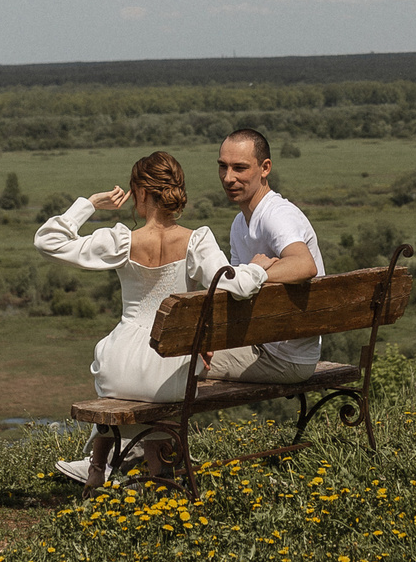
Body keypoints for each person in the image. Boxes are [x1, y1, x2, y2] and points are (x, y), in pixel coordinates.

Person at [34, 150, 266, 484]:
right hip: (173, 373)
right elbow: (239, 285)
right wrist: (259, 266)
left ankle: (99, 468)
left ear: (142, 193)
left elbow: (47, 241)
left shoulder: (121, 241)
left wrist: (90, 203)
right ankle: (161, 471)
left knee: (124, 388)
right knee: (162, 395)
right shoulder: (196, 240)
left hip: (119, 371)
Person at [206, 127, 325, 384]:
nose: (228, 178)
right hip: (263, 345)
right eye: (223, 167)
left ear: (265, 168)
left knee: (174, 364)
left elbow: (305, 265)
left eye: (239, 168)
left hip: (285, 357)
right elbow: (238, 291)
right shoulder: (240, 223)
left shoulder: (276, 215)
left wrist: (255, 272)